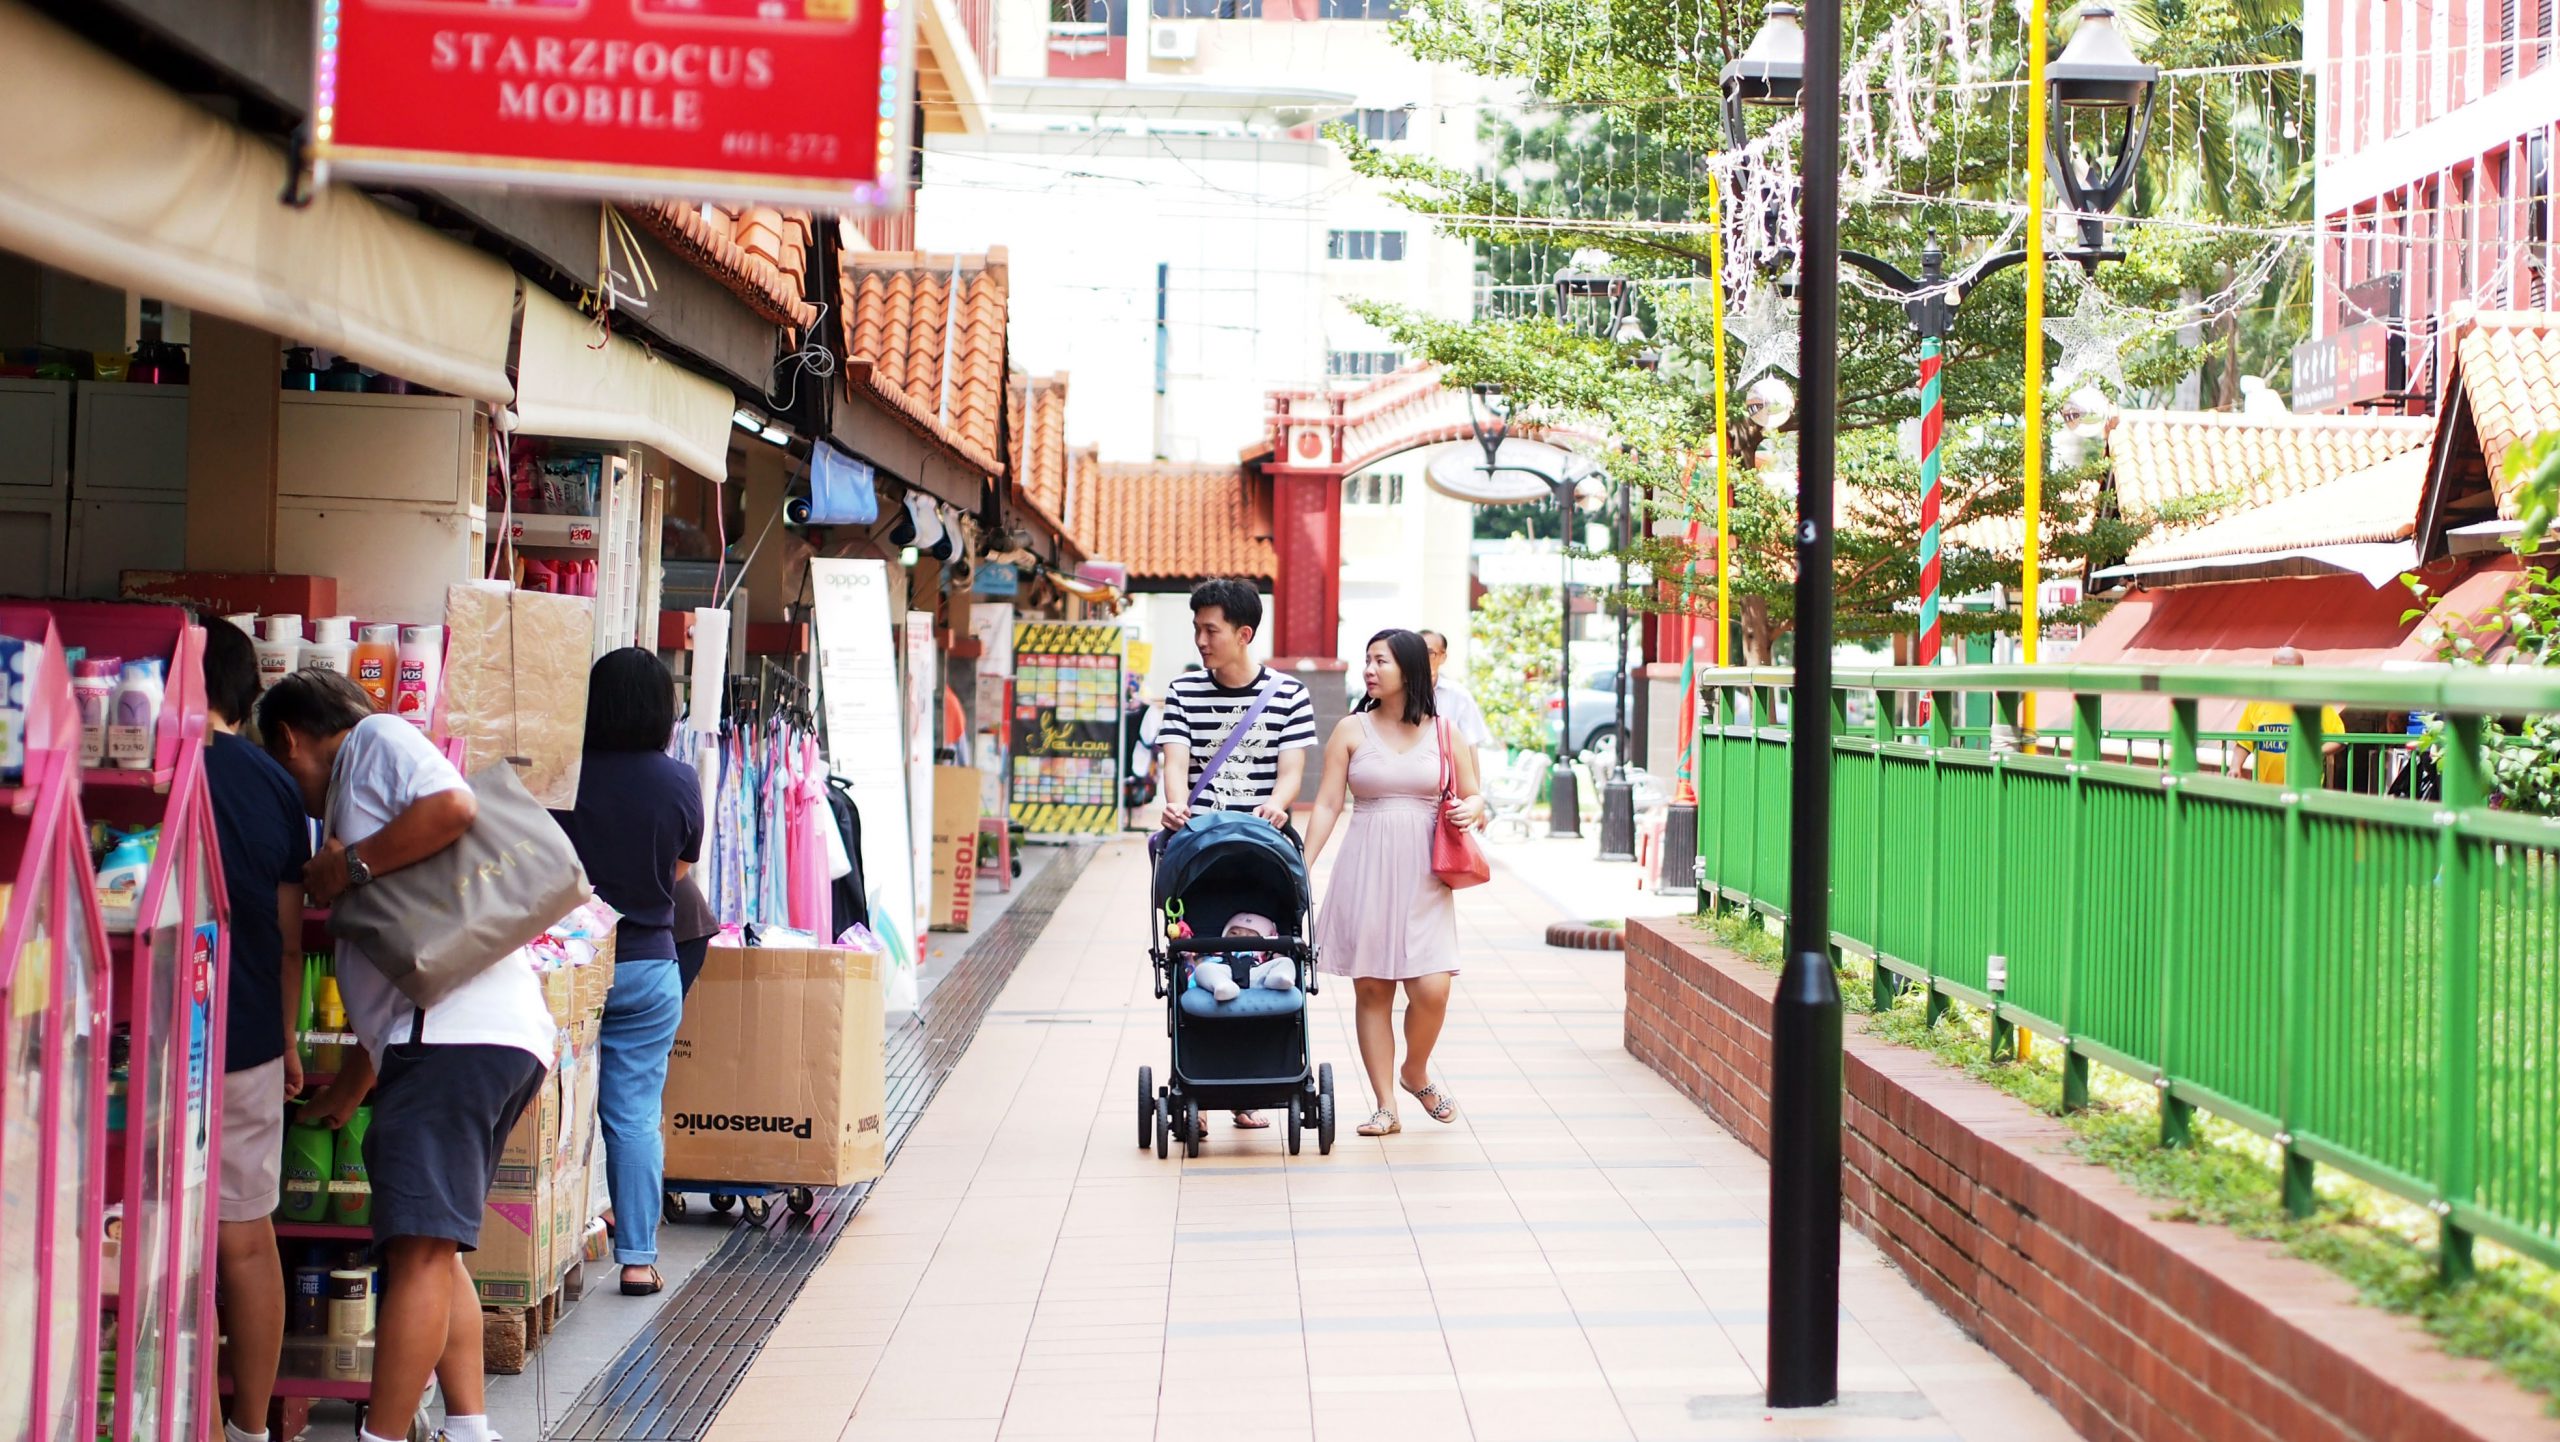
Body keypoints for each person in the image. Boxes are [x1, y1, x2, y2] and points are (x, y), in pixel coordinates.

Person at [264, 671, 554, 1442]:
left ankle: (383, 1435)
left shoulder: (374, 739)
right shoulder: (372, 761)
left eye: (282, 765)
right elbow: (391, 991)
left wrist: (347, 867)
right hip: (475, 1039)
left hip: (452, 1038)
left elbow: (454, 807)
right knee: (437, 1248)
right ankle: (468, 1428)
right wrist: (353, 1088)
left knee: (418, 1254)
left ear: (291, 738)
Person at [554, 647, 703, 1296]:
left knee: (556, 1110)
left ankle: (555, 1238)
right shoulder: (679, 782)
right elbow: (681, 870)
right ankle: (638, 1258)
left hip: (568, 964)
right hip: (646, 962)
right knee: (635, 1112)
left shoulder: (565, 777)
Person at [1305, 629, 1487, 1137]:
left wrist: (1468, 809)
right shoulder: (1350, 729)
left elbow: (1474, 795)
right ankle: (1386, 1104)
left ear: (1407, 669)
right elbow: (1326, 803)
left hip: (1424, 875)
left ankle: (1415, 1071)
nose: (1368, 669)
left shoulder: (1446, 731)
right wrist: (1301, 861)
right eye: (1366, 660)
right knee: (1372, 988)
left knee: (1432, 989)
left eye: (1379, 660)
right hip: (1365, 866)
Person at [201, 620, 312, 1442]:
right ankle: (246, 1428)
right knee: (245, 1236)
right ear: (247, 695)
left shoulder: (149, 764)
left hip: (135, 1043)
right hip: (244, 1035)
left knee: (147, 1234)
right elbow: (287, 937)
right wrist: (287, 1040)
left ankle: (183, 1416)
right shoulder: (273, 785)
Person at [1156, 578, 1318, 1128]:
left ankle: (1250, 1085)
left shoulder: (1288, 694)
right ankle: (1193, 1078)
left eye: (1211, 629)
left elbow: (1292, 769)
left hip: (1261, 847)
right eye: (1196, 629)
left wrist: (1275, 805)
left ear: (1243, 633)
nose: (1201, 640)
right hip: (1201, 849)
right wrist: (1177, 806)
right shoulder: (1184, 692)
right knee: (1192, 956)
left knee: (1266, 957)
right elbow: (1175, 762)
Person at [2235, 647, 2345, 787]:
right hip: (2267, 789)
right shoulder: (2259, 700)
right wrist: (2235, 767)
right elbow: (2244, 741)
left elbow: (2340, 739)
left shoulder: (2314, 701)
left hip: (2304, 789)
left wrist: (2312, 752)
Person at [1418, 629, 1494, 771]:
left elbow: (1471, 746)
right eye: (1416, 653)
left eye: (1428, 653)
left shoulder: (1459, 695)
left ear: (1443, 657)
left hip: (1447, 785)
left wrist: (1474, 792)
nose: (1421, 658)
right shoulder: (1400, 693)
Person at [1187, 911, 1298, 1002]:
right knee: (1203, 969)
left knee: (1286, 962)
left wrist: (1276, 954)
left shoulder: (1266, 958)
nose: (1241, 936)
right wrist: (1188, 957)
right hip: (1224, 971)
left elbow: (1278, 957)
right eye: (1234, 933)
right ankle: (1223, 987)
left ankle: (1279, 978)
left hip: (1257, 975)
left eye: (1251, 935)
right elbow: (1193, 967)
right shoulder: (1214, 954)